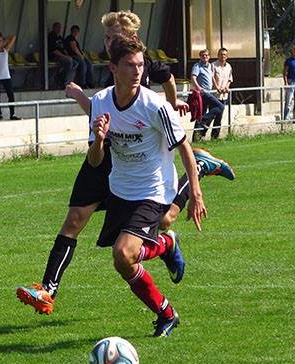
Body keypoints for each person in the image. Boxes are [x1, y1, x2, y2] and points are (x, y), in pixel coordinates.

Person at [16, 10, 235, 316]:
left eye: (114, 37)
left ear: (133, 40)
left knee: (163, 222)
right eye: (106, 37)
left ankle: (195, 169)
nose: (109, 42)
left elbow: (168, 80)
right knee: (76, 219)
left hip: (145, 161)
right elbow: (106, 112)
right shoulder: (113, 72)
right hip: (110, 154)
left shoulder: (139, 67)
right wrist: (96, 128)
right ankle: (48, 290)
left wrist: (171, 110)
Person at [87, 36, 206, 338]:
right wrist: (99, 139)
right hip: (121, 189)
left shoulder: (154, 106)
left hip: (154, 188)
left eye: (140, 64)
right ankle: (166, 309)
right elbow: (94, 160)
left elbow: (184, 148)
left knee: (123, 253)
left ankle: (167, 254)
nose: (137, 71)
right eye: (130, 65)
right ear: (113, 67)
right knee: (122, 263)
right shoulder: (101, 102)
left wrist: (195, 192)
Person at [191, 49, 225, 141]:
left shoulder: (210, 66)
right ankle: (203, 119)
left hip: (209, 92)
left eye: (206, 55)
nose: (205, 57)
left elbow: (211, 77)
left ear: (209, 57)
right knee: (220, 106)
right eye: (203, 55)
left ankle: (197, 137)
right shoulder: (197, 66)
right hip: (202, 93)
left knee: (202, 113)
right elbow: (193, 77)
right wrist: (198, 88)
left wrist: (216, 86)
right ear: (200, 57)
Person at [48, 22, 78, 88]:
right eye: (57, 27)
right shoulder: (51, 36)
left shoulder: (60, 38)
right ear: (53, 28)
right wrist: (65, 57)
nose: (59, 29)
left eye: (60, 27)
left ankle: (60, 76)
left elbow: (64, 49)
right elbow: (54, 51)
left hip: (62, 56)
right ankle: (65, 82)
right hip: (54, 56)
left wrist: (68, 55)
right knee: (69, 63)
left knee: (75, 63)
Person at [64, 24, 94, 89]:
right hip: (73, 55)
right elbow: (74, 48)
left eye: (77, 32)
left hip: (79, 55)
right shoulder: (70, 38)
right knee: (83, 65)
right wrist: (81, 56)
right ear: (71, 31)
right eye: (74, 31)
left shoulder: (74, 39)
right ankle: (81, 83)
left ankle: (89, 82)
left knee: (89, 64)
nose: (75, 33)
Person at [211, 47, 233, 138]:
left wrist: (226, 87)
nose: (222, 56)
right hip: (214, 95)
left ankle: (215, 136)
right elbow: (211, 77)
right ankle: (200, 134)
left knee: (219, 116)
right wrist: (216, 87)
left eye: (224, 54)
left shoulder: (229, 66)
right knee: (212, 114)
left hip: (224, 95)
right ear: (218, 55)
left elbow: (230, 79)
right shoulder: (213, 65)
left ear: (227, 56)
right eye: (221, 54)